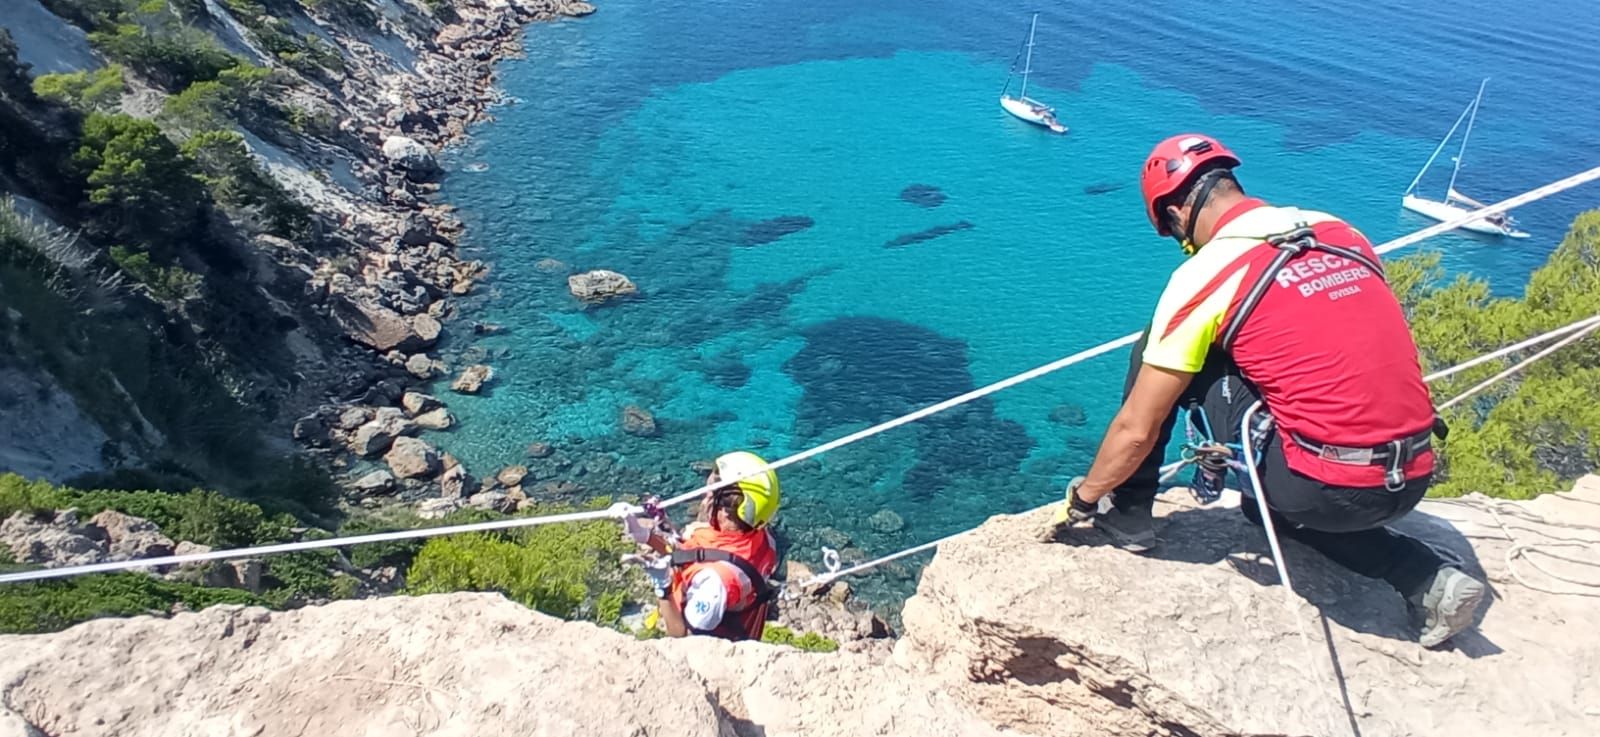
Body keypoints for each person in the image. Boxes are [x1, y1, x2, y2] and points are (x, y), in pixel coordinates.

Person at [1058, 133, 1487, 648]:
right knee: (1286, 478)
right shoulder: (1339, 230)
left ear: (1175, 211)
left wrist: (1085, 499)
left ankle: (1127, 515)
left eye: (1171, 230)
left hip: (1322, 493)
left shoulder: (1207, 271)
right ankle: (1426, 578)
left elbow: (1136, 427)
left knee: (1163, 351)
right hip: (1415, 472)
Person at [631, 451, 780, 641]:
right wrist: (648, 535)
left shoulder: (715, 585)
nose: (703, 500)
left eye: (710, 496)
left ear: (725, 513)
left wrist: (663, 588)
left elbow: (681, 635)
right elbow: (696, 555)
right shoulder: (761, 538)